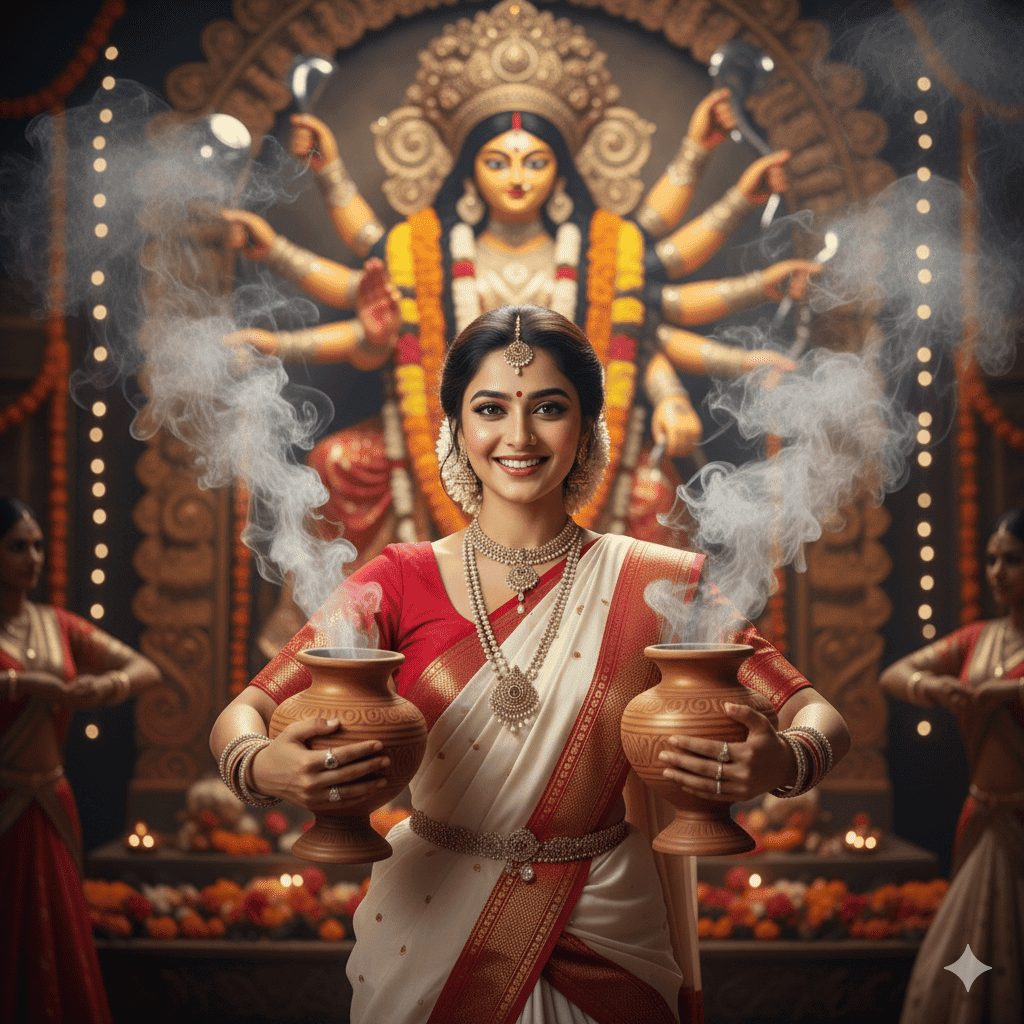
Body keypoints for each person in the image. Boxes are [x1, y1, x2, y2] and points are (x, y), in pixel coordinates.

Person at [211, 305, 849, 1024]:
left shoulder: (657, 582)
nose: (518, 437)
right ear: (455, 428)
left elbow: (816, 713)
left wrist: (784, 762)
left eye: (549, 408)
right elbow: (244, 713)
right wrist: (263, 767)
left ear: (585, 429)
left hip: (606, 930)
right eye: (490, 409)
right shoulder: (396, 579)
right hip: (432, 924)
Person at [220, 0, 817, 567]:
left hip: (576, 450)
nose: (515, 178)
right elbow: (364, 329)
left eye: (534, 161)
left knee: (657, 501)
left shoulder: (608, 251)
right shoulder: (417, 249)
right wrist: (276, 314)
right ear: (469, 169)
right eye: (496, 161)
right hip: (431, 449)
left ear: (559, 169)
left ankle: (644, 662)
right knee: (339, 464)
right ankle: (351, 654)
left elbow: (649, 331)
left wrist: (694, 383)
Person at [0, 497, 161, 1024]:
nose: (34, 557)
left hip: (49, 801)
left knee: (57, 936)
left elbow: (144, 670)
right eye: (18, 547)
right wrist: (22, 684)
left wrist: (106, 686)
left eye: (39, 546)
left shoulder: (57, 624)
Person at [880, 509, 1024, 1024]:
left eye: (1012, 560)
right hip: (984, 821)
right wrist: (932, 687)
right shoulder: (977, 639)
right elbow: (895, 674)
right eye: (990, 559)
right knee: (970, 954)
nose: (996, 572)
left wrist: (1008, 691)